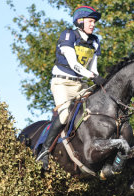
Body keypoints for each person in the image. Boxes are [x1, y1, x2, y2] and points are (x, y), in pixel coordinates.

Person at [36, 5, 106, 170]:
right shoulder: (68, 35)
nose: (93, 24)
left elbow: (93, 68)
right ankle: (44, 151)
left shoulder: (94, 41)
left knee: (94, 112)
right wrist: (92, 77)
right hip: (62, 83)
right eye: (90, 21)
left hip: (81, 84)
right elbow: (73, 64)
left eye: (94, 21)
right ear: (79, 21)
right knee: (65, 115)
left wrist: (97, 80)